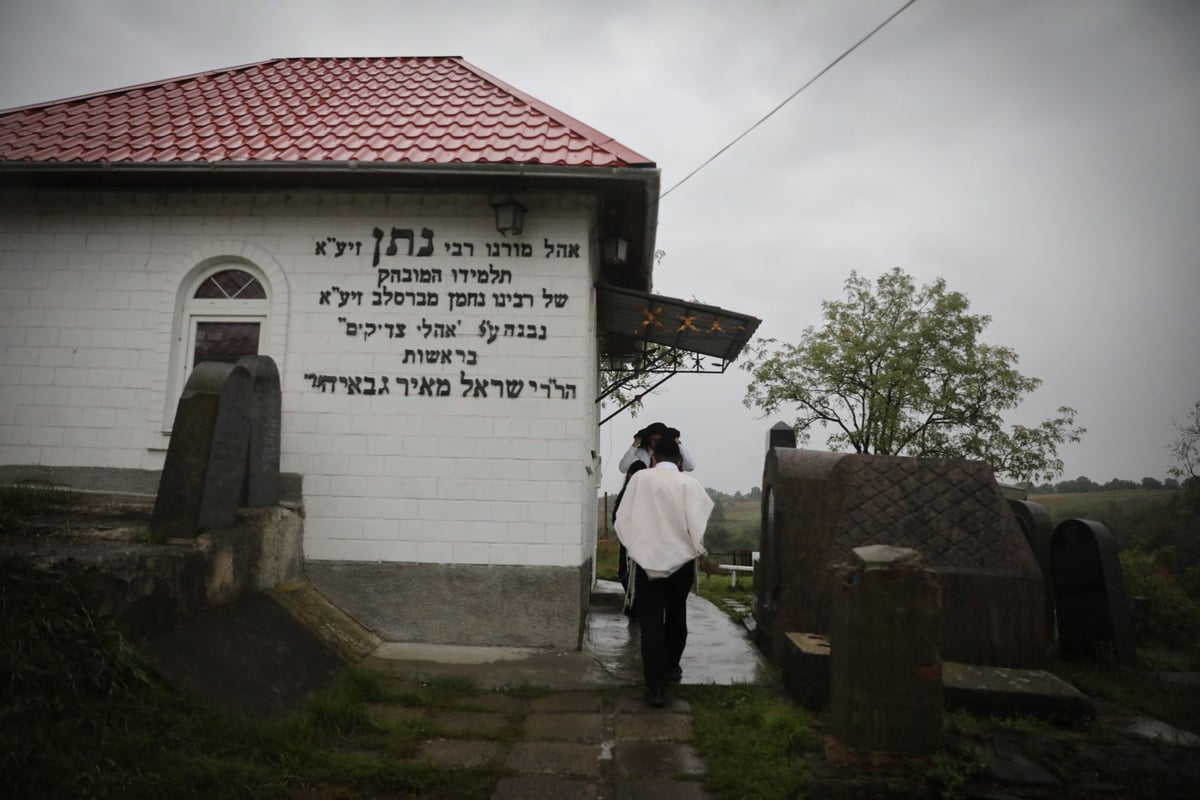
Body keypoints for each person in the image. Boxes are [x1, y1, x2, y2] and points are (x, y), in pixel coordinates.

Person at [614, 437, 714, 707]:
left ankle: (655, 687)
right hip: (682, 564)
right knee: (677, 612)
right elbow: (699, 522)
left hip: (647, 562)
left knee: (651, 622)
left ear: (654, 458)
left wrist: (636, 547)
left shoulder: (640, 480)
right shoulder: (690, 484)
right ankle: (672, 667)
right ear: (680, 461)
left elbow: (622, 520)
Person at [611, 460, 646, 611]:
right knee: (625, 572)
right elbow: (616, 518)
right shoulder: (626, 493)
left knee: (636, 574)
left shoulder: (645, 493)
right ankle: (634, 601)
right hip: (629, 541)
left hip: (641, 541)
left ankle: (636, 603)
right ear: (630, 475)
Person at [617, 421, 696, 473]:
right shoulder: (641, 453)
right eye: (653, 440)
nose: (656, 443)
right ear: (649, 439)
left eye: (659, 440)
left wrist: (678, 443)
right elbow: (623, 468)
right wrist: (635, 444)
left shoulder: (671, 453)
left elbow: (690, 466)